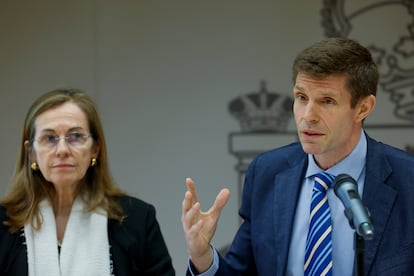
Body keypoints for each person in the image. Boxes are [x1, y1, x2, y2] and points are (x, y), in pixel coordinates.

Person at [181, 37, 414, 275]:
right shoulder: (267, 173)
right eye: (302, 98)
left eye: (327, 101)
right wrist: (203, 259)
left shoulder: (408, 180)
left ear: (363, 108)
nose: (308, 116)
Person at [0, 89, 175, 275]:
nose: (62, 150)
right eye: (49, 138)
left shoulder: (137, 220)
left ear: (95, 149)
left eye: (75, 136)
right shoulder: (3, 223)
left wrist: (201, 260)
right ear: (31, 153)